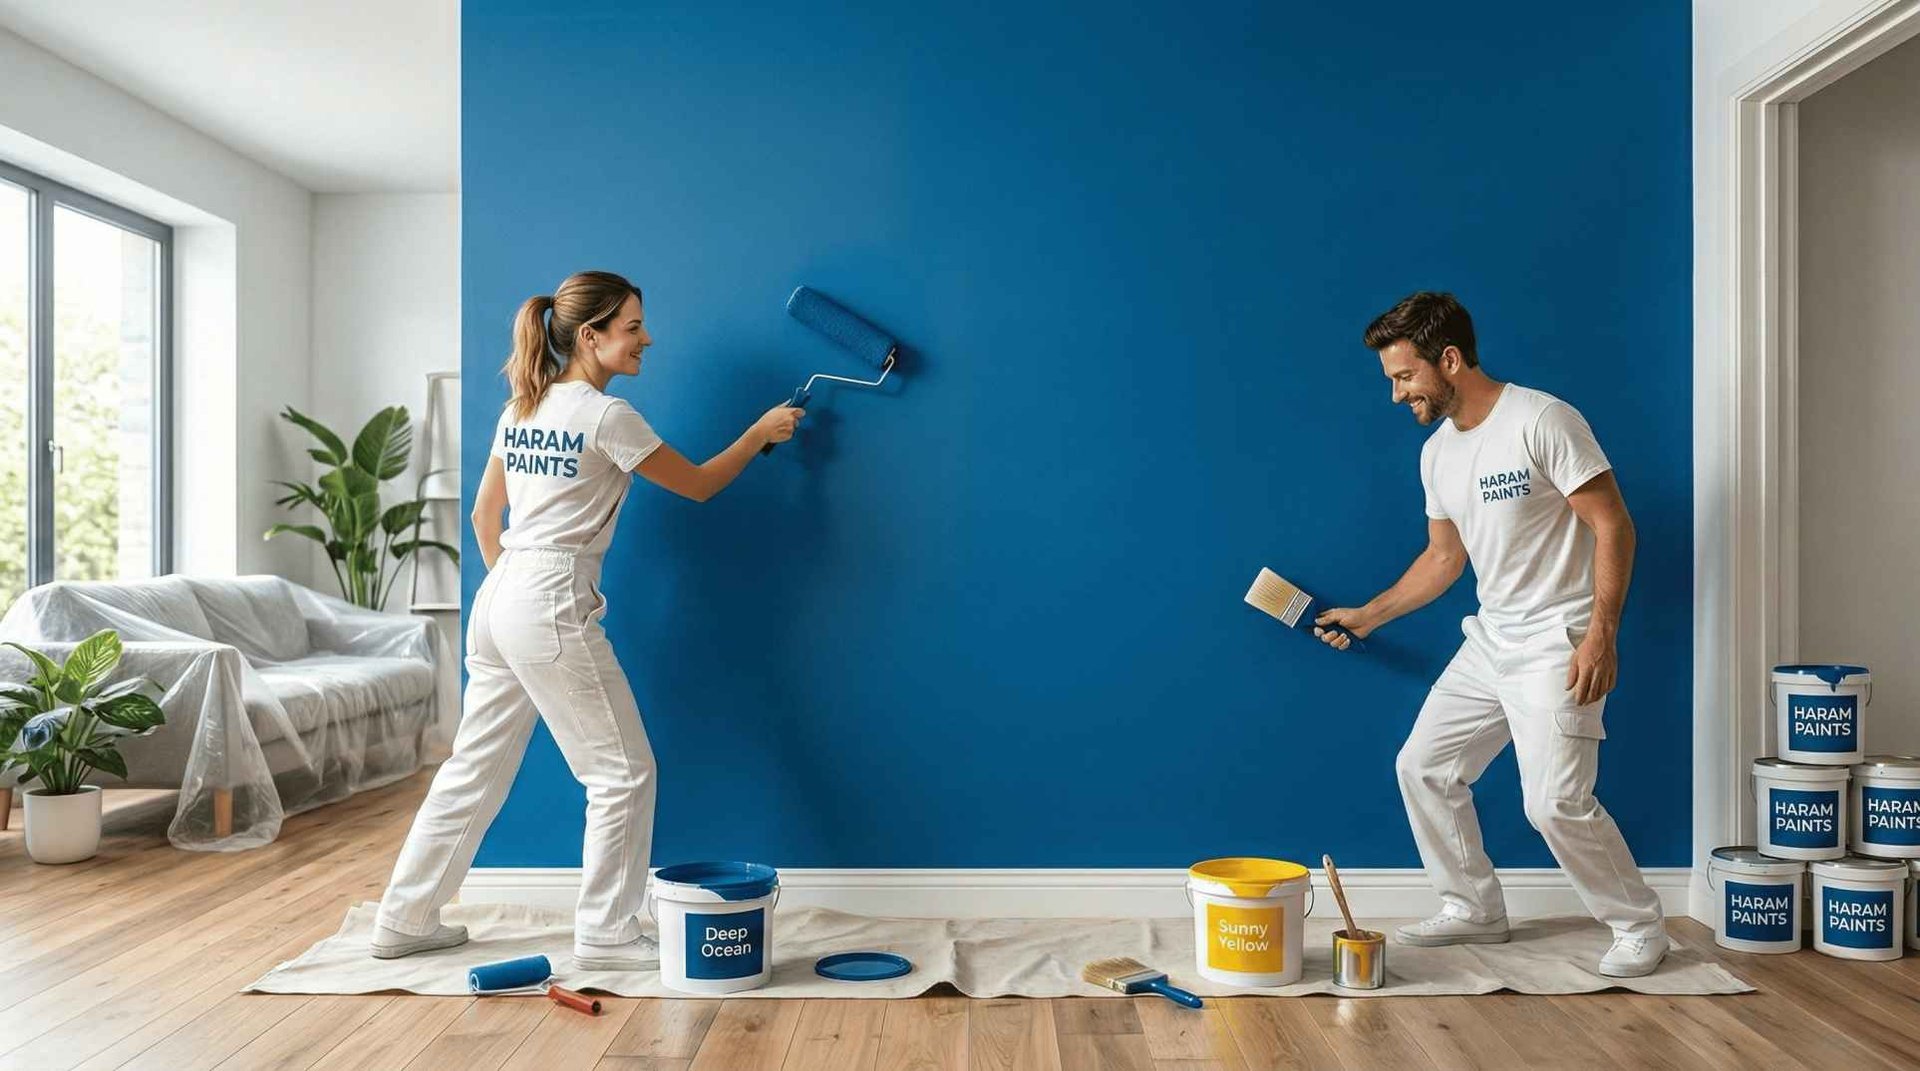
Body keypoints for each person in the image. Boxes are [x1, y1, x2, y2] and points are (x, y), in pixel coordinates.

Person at [369, 270, 803, 969]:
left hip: (501, 592)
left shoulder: (523, 407)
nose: (646, 339)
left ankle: (404, 916)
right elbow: (696, 486)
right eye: (632, 327)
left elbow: (486, 516)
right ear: (590, 335)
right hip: (546, 598)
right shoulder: (607, 416)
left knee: (472, 770)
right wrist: (759, 431)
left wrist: (514, 591)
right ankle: (605, 928)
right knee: (622, 773)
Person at [1313, 291, 1668, 978]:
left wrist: (1601, 634)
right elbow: (1444, 559)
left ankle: (1637, 922)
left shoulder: (1543, 419)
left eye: (1404, 375)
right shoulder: (1438, 454)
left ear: (1449, 359)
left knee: (1554, 802)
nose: (1396, 394)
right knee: (1423, 767)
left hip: (1557, 637)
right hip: (1491, 639)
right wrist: (1368, 613)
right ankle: (1474, 906)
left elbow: (1613, 523)